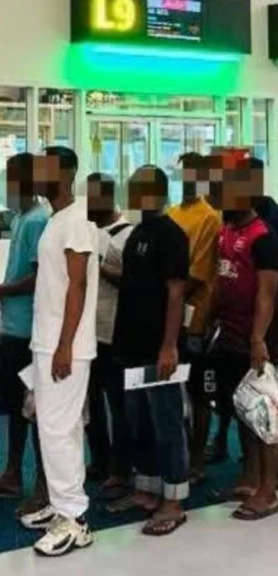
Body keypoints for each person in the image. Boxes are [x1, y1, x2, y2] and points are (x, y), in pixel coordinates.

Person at [19, 146, 97, 557]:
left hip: (66, 346)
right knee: (61, 428)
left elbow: (77, 285)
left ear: (65, 173)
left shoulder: (78, 219)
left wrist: (65, 345)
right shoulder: (57, 218)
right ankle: (63, 503)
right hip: (48, 340)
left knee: (56, 429)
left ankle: (74, 520)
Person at [107, 166, 190, 535]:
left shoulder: (172, 235)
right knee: (138, 420)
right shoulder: (138, 233)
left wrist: (169, 346)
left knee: (166, 422)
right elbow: (132, 286)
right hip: (132, 345)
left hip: (160, 349)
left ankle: (173, 499)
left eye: (140, 188)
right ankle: (146, 488)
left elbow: (176, 293)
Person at [0, 152, 49, 515]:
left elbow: (38, 277)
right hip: (12, 327)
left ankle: (44, 484)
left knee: (36, 410)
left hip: (31, 331)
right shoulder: (20, 219)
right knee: (14, 407)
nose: (10, 185)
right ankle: (12, 473)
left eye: (15, 178)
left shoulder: (40, 221)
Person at [205, 156, 278, 519]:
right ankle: (250, 477)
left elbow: (267, 294)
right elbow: (221, 283)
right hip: (229, 335)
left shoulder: (264, 238)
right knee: (243, 411)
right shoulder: (226, 231)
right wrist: (205, 323)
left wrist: (258, 339)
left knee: (265, 416)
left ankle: (269, 490)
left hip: (260, 339)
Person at [166, 152, 223, 483]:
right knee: (174, 390)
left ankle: (198, 461)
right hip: (171, 316)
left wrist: (166, 296)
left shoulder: (210, 218)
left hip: (196, 319)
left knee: (200, 392)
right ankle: (182, 452)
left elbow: (197, 275)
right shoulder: (173, 213)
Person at [85, 173, 134, 499]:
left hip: (115, 334)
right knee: (91, 403)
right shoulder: (87, 231)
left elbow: (133, 281)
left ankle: (121, 468)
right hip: (87, 334)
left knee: (119, 405)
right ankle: (99, 460)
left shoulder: (127, 235)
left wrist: (98, 267)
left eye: (90, 199)